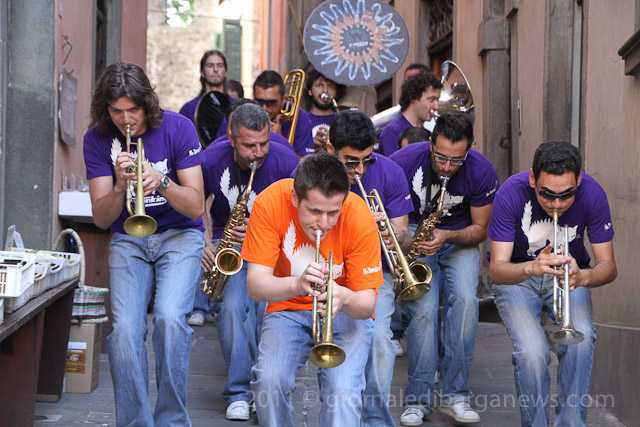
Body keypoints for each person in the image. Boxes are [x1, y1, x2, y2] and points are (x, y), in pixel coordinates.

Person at [83, 62, 205, 426]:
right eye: (116, 111)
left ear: (147, 103)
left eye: (133, 109)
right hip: (128, 238)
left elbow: (196, 206)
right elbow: (101, 218)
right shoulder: (96, 139)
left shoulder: (178, 127)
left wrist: (161, 181)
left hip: (180, 234)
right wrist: (120, 185)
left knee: (170, 319)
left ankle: (172, 421)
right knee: (124, 332)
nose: (126, 119)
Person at [242, 152, 382, 427]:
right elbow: (255, 286)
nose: (324, 223)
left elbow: (366, 305)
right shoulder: (270, 202)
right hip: (287, 307)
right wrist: (297, 284)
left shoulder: (359, 215)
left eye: (333, 212)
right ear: (296, 198)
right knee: (268, 383)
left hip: (346, 312)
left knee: (343, 395)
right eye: (315, 211)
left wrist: (344, 296)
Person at [488, 140, 617, 427]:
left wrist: (584, 276)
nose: (556, 204)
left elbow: (609, 266)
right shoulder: (510, 193)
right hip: (518, 277)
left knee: (581, 340)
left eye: (566, 194)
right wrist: (531, 267)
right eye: (547, 194)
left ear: (578, 180)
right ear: (532, 179)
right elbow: (496, 270)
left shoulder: (592, 194)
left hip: (569, 277)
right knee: (532, 353)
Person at [390, 113, 499, 425]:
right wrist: (405, 243)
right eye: (440, 157)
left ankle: (455, 395)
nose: (447, 166)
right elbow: (391, 213)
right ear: (430, 144)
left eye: (456, 160)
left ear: (469, 150)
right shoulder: (403, 162)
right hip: (414, 230)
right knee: (423, 311)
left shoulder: (481, 171)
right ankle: (418, 400)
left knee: (465, 303)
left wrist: (447, 236)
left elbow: (480, 230)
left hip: (459, 235)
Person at [195, 103, 299, 421]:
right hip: (232, 247)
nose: (258, 153)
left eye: (264, 143)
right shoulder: (211, 159)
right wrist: (206, 241)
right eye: (249, 145)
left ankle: (265, 387)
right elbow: (198, 203)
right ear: (231, 138)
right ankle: (239, 392)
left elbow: (301, 216)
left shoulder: (286, 161)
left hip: (275, 249)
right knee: (230, 310)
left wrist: (261, 228)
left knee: (266, 312)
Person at [322, 110, 413, 427]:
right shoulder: (312, 174)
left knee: (380, 343)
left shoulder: (390, 172)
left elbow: (405, 238)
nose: (360, 170)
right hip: (328, 271)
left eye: (367, 160)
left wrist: (390, 231)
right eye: (351, 162)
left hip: (374, 273)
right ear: (331, 150)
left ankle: (374, 421)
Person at [378, 72, 442, 157]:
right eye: (432, 99)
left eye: (437, 100)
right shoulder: (392, 131)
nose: (436, 106)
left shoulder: (427, 127)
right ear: (413, 97)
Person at [252, 70, 314, 157]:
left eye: (271, 103)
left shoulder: (299, 116)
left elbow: (305, 162)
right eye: (259, 101)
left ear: (283, 100)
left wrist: (281, 140)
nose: (264, 108)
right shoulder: (246, 112)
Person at [179, 49, 228, 123]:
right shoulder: (189, 109)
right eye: (210, 66)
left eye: (220, 66)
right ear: (202, 72)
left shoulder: (237, 107)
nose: (215, 70)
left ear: (226, 72)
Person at [305, 67, 345, 152]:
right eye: (320, 85)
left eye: (330, 86)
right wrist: (311, 145)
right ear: (310, 91)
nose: (325, 90)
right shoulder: (301, 120)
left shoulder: (343, 121)